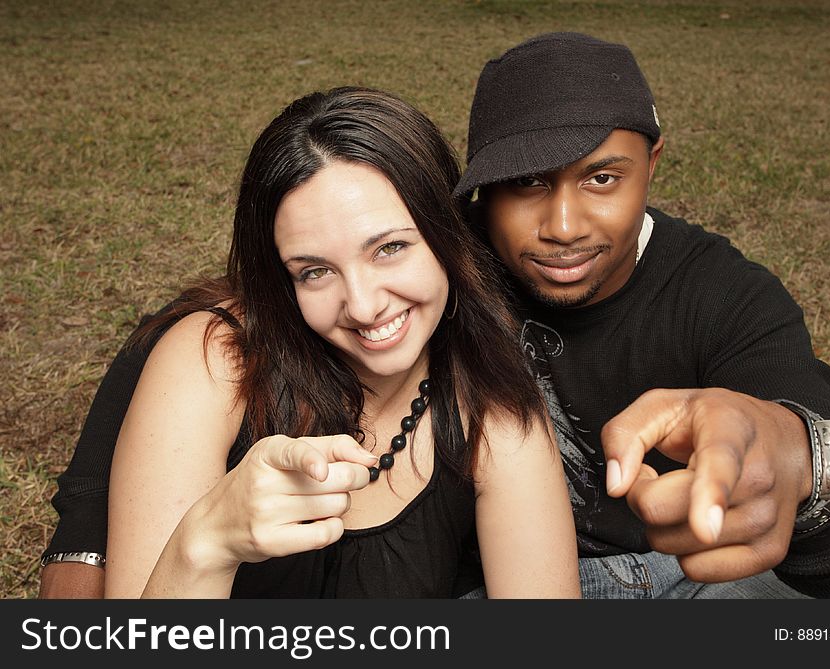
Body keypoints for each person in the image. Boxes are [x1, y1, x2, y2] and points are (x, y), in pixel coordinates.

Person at [41, 34, 830, 599]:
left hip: (665, 576)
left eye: (601, 178)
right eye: (525, 184)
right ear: (470, 204)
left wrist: (804, 453)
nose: (561, 226)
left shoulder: (713, 297)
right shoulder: (254, 332)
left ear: (652, 165)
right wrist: (180, 543)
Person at [42, 86, 580, 598]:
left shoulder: (492, 400)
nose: (365, 306)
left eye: (390, 248)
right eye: (315, 271)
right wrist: (205, 543)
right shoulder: (212, 360)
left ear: (449, 235)